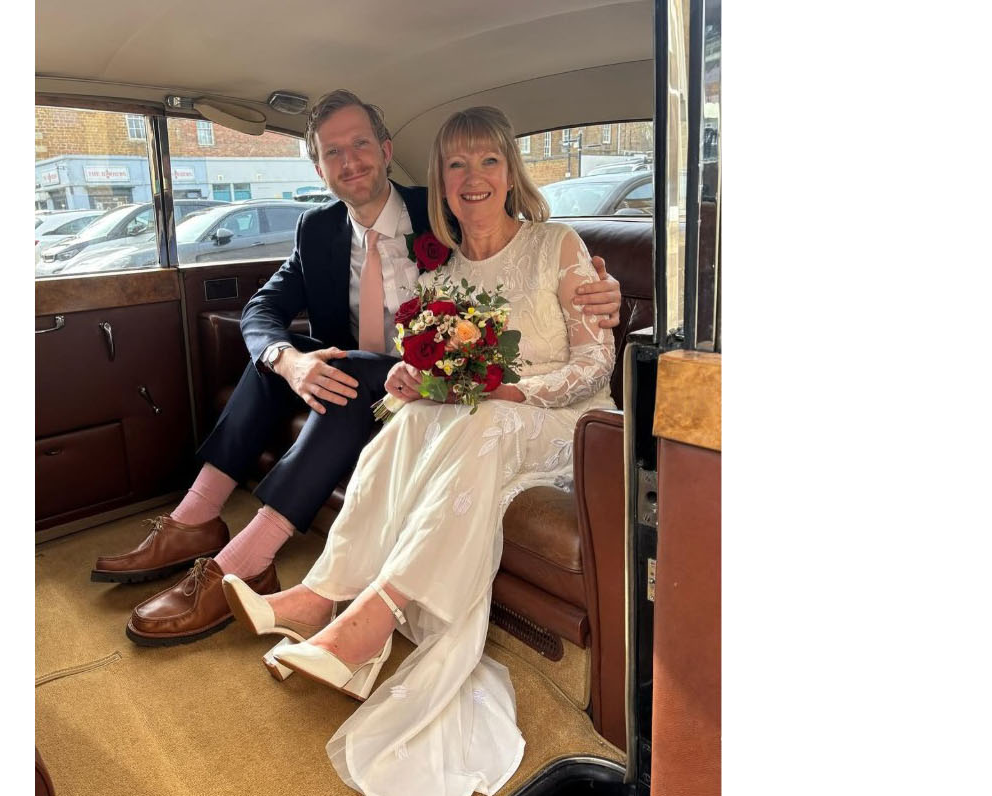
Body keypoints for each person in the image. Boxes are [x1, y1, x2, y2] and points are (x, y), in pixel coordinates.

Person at [92, 90, 622, 651]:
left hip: (431, 384)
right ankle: (195, 516)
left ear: (387, 150)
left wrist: (600, 291)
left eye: (361, 144)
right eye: (333, 152)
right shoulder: (317, 231)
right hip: (394, 386)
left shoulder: (444, 210)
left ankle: (251, 558)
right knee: (283, 357)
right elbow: (261, 311)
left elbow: (530, 270)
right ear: (318, 167)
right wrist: (289, 361)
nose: (350, 162)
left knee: (342, 368)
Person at [222, 105, 616, 795]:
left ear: (509, 171)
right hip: (481, 413)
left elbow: (596, 366)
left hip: (565, 418)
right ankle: (322, 592)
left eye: (488, 160)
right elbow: (427, 370)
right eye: (456, 164)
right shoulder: (441, 271)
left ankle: (368, 622)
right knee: (403, 421)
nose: (472, 177)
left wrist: (510, 390)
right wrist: (409, 377)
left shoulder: (557, 244)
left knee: (482, 418)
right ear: (437, 178)